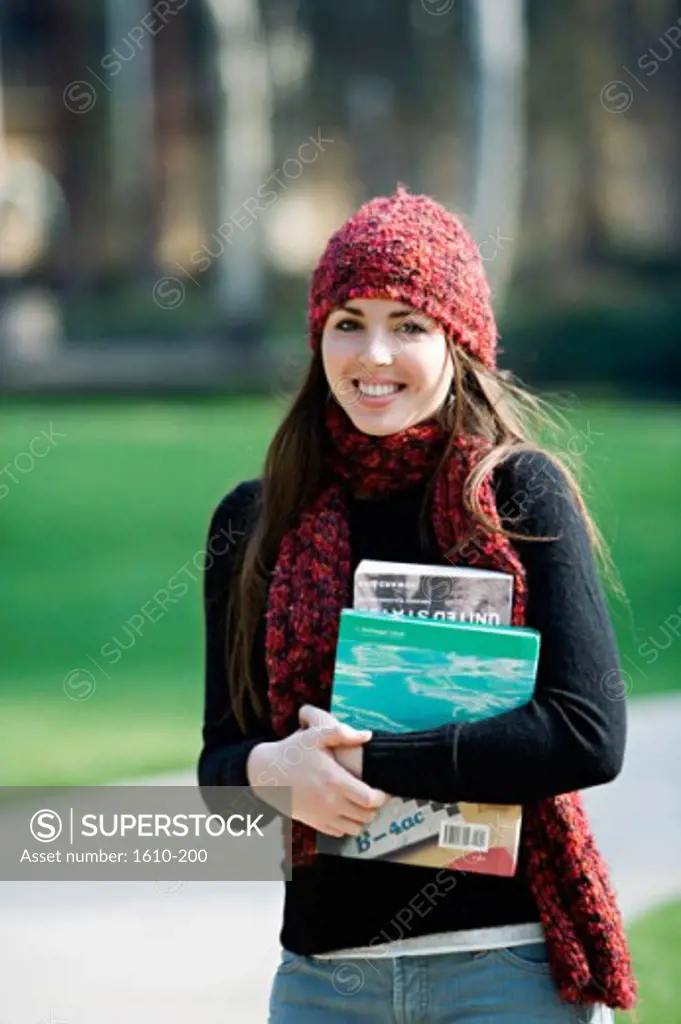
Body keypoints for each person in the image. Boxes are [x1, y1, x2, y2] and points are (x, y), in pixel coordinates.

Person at [198, 187, 638, 1023]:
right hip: (325, 983)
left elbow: (585, 732)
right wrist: (272, 769)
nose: (374, 354)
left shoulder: (514, 496)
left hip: (507, 972)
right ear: (318, 335)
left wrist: (365, 762)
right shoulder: (254, 523)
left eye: (409, 324)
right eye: (347, 321)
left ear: (458, 340)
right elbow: (222, 763)